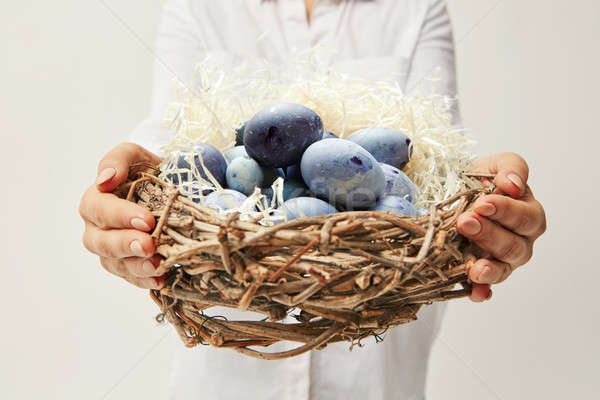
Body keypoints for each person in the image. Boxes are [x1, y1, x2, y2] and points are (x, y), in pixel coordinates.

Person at [79, 1, 547, 399]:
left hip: (377, 375)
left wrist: (484, 205)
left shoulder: (415, 8)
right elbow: (174, 149)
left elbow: (433, 164)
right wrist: (131, 212)